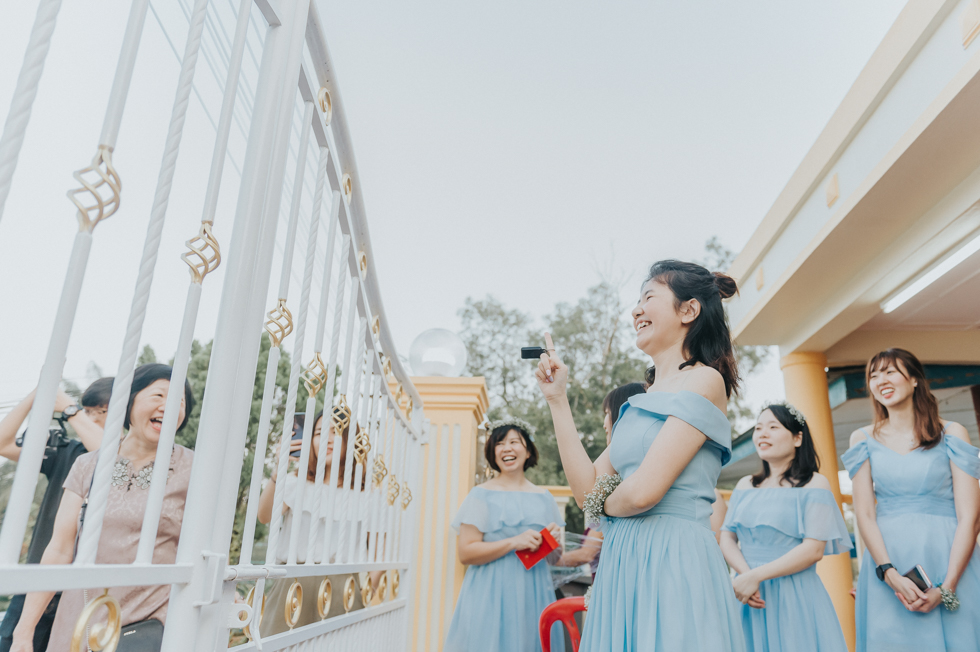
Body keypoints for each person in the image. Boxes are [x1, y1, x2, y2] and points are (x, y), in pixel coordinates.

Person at [536, 259, 745, 651]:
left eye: (649, 297)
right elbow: (585, 493)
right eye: (637, 300)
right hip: (622, 561)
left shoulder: (704, 379)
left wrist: (603, 499)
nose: (636, 310)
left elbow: (643, 493)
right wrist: (557, 400)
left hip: (673, 557)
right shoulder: (638, 404)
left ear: (689, 310)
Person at [10, 364, 195, 652]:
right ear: (129, 401)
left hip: (150, 625)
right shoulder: (87, 465)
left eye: (180, 401)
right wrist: (25, 629)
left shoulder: (193, 468)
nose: (169, 406)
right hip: (80, 618)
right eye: (159, 395)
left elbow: (202, 551)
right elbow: (59, 549)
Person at [842, 348, 980, 652]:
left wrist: (947, 586)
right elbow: (864, 514)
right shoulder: (862, 439)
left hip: (951, 561)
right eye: (873, 375)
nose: (881, 380)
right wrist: (888, 574)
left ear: (915, 379)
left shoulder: (952, 433)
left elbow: (970, 517)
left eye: (890, 371)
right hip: (888, 565)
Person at [719, 403, 851, 652]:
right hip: (748, 594)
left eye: (773, 427)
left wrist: (755, 576)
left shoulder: (815, 484)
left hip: (794, 594)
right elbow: (726, 537)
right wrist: (746, 576)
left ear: (797, 438)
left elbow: (813, 550)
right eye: (758, 428)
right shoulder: (745, 485)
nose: (762, 434)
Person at [0, 377, 112, 652]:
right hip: (40, 580)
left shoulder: (128, 460)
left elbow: (109, 454)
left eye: (100, 411)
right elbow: (3, 444)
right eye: (88, 411)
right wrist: (37, 394)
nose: (91, 418)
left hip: (91, 588)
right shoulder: (67, 452)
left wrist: (70, 410)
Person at [444, 418, 565, 652]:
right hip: (489, 593)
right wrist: (513, 542)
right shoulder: (479, 495)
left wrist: (554, 545)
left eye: (514, 442)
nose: (506, 448)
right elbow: (466, 553)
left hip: (534, 594)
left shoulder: (544, 498)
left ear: (528, 451)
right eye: (499, 444)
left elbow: (554, 559)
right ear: (493, 452)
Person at [256, 408, 370, 634]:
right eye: (319, 433)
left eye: (336, 431)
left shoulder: (365, 494)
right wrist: (278, 470)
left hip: (343, 587)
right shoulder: (295, 482)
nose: (327, 438)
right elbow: (264, 516)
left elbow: (379, 549)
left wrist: (368, 590)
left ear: (351, 439)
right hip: (293, 583)